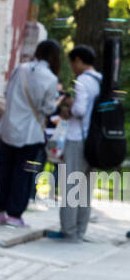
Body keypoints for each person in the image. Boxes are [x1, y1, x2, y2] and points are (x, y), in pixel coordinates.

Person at [0, 39, 62, 227]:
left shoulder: (19, 69)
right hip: (30, 133)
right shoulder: (51, 78)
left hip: (8, 127)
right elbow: (47, 108)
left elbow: (7, 93)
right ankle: (15, 214)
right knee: (24, 174)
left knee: (4, 170)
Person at [45, 45, 103, 242]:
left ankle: (68, 230)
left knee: (71, 186)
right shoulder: (101, 80)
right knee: (86, 188)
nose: (72, 67)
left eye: (72, 62)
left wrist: (68, 109)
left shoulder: (82, 81)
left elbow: (79, 110)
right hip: (95, 142)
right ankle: (80, 230)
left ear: (78, 60)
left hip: (77, 138)